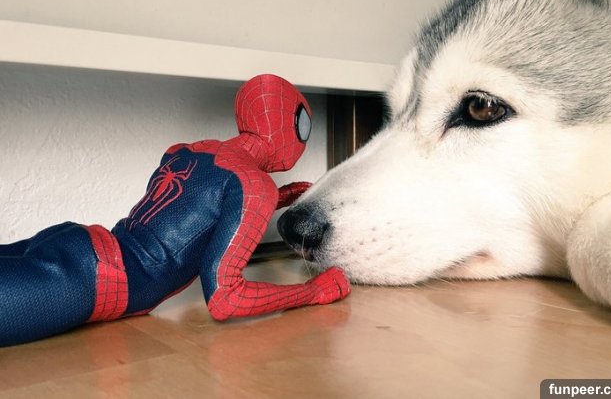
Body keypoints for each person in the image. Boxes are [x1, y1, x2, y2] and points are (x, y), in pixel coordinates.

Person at [0, 74, 350, 347]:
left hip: (78, 243)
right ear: (292, 127)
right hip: (93, 282)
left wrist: (281, 196)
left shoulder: (187, 150)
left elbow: (196, 207)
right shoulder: (253, 185)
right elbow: (226, 298)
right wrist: (314, 291)